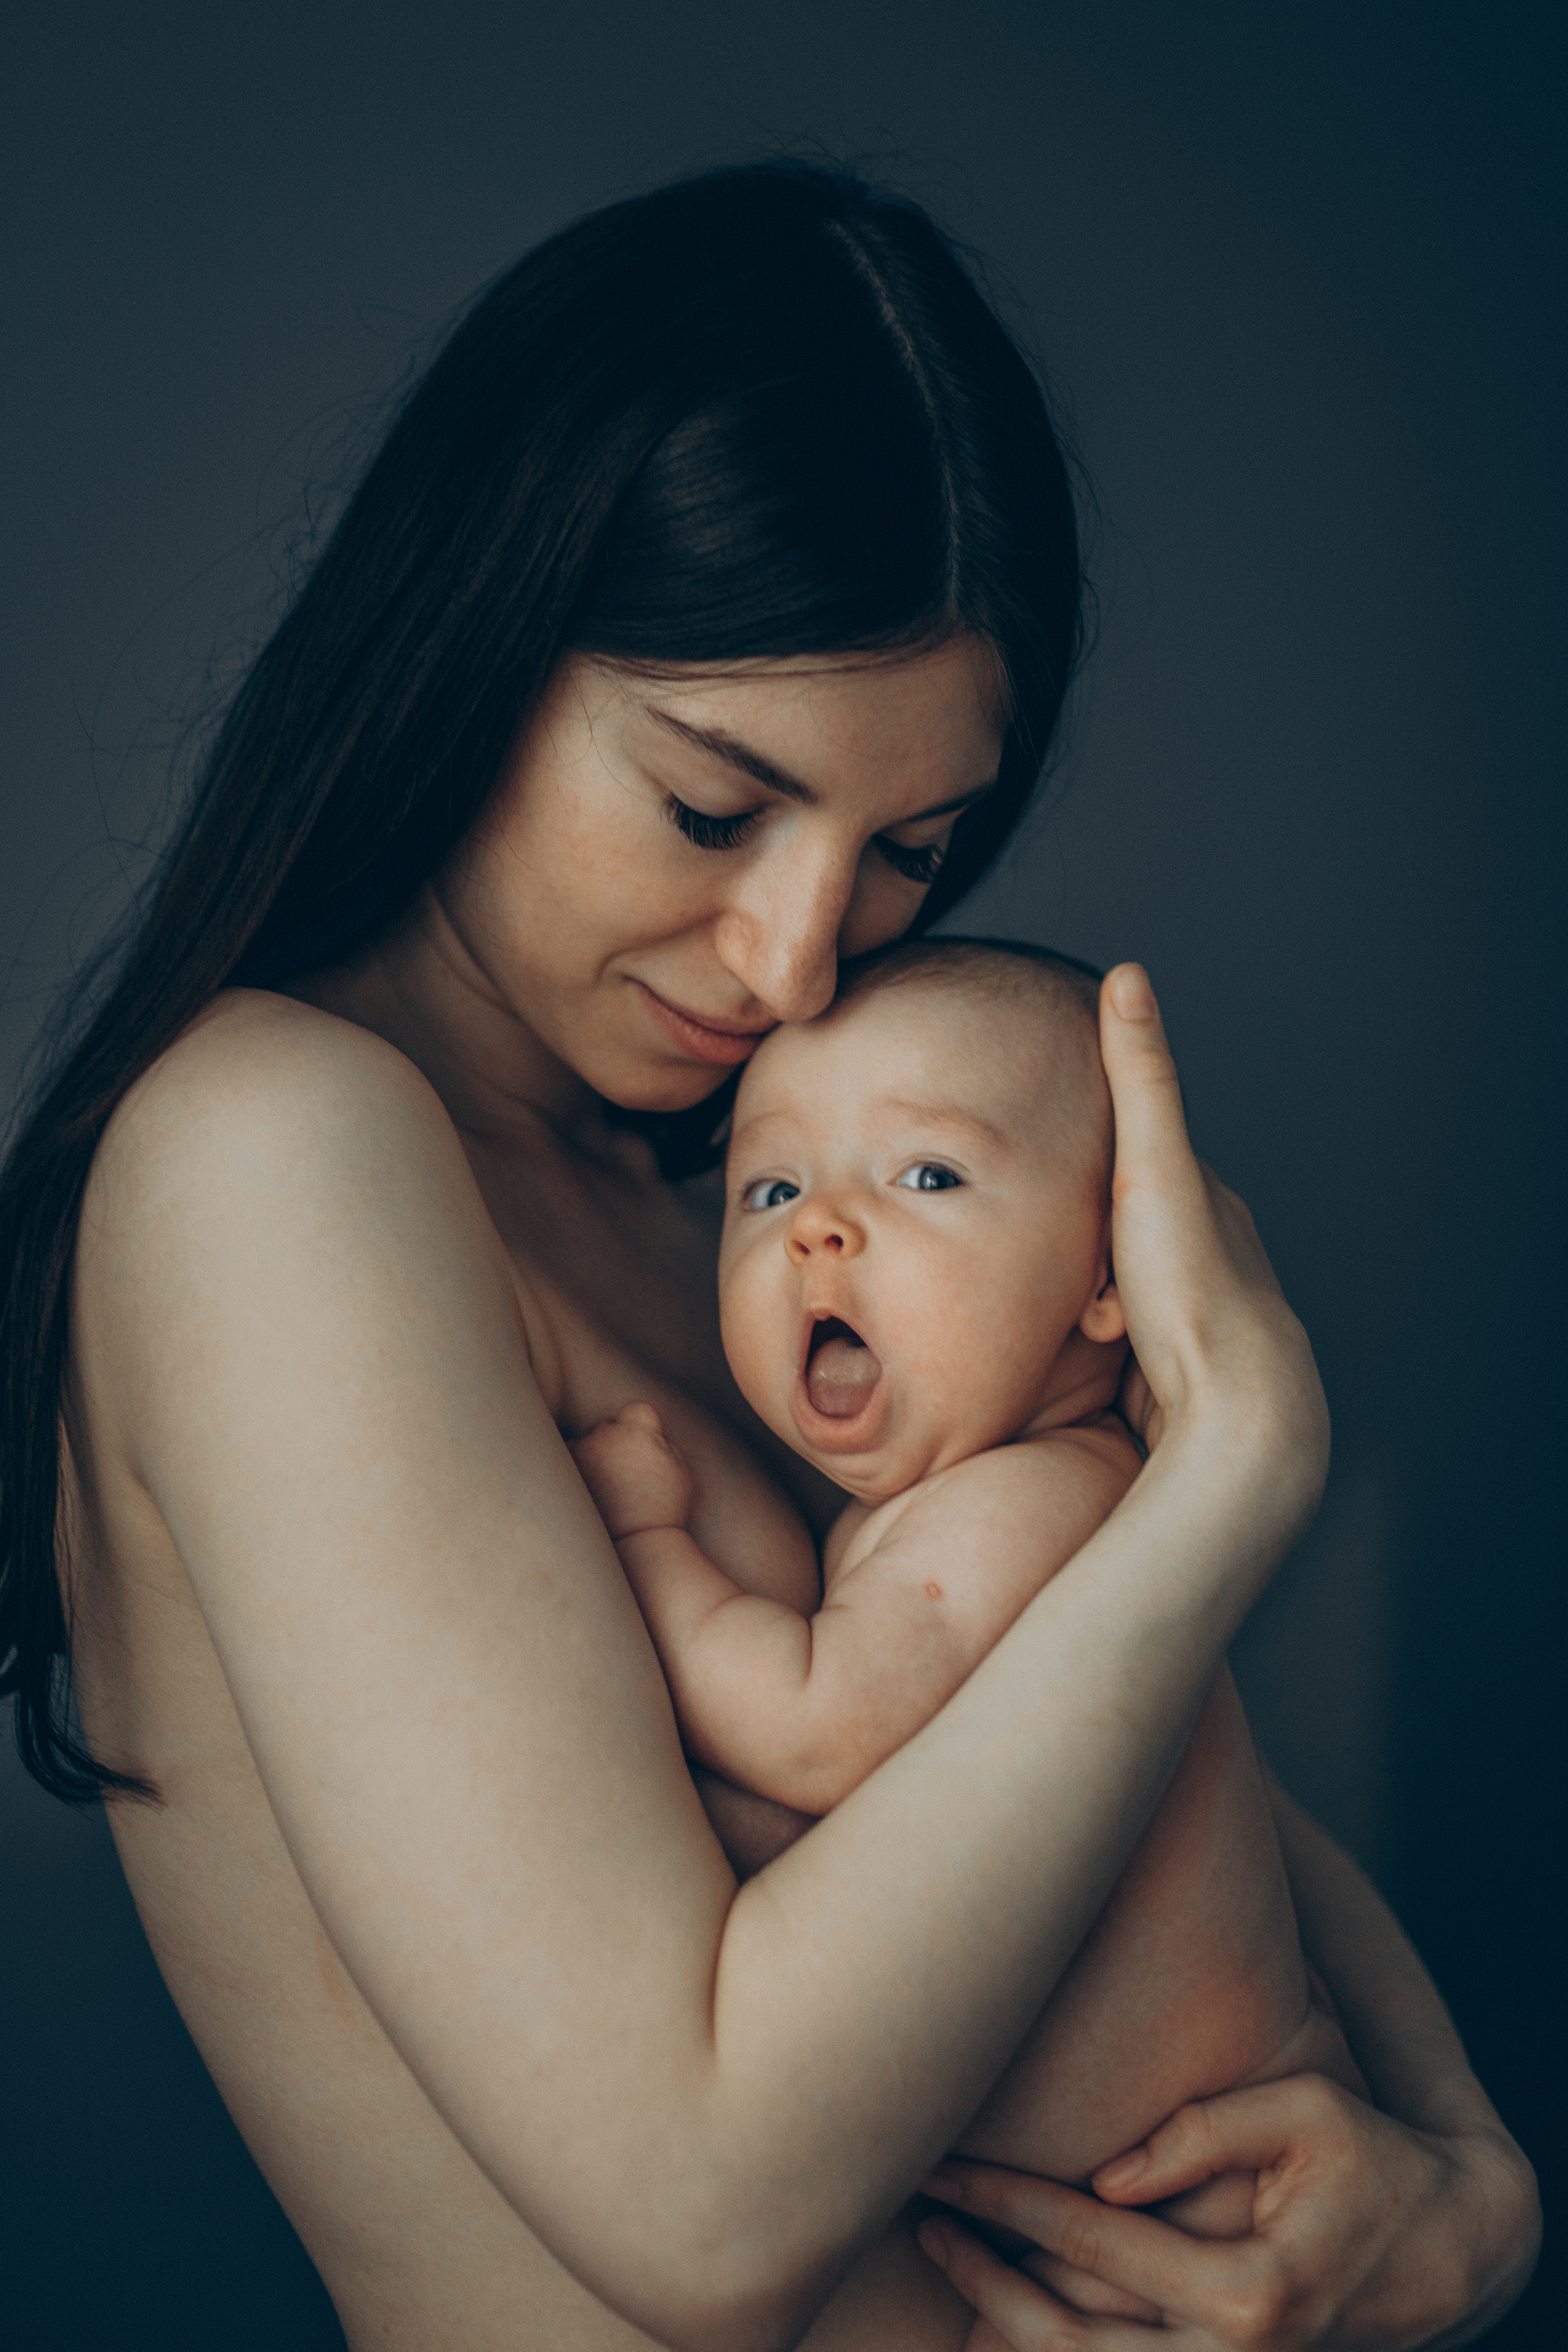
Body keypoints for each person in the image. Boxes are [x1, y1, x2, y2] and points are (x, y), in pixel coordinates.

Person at [0, 164, 1536, 2351]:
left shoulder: (715, 1212)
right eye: (717, 808)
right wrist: (1229, 1475)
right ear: (478, 644)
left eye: (911, 850)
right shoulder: (276, 1150)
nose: (801, 958)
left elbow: (1158, 1769)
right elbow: (699, 2207)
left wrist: (1467, 2188)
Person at [570, 934, 1368, 2247]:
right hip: (1132, 2203)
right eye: (768, 1189)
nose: (819, 1224)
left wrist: (646, 1547)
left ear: (1109, 1275)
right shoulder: (1010, 1500)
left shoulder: (1028, 1508)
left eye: (926, 1173)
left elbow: (815, 1733)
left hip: (1196, 2209)